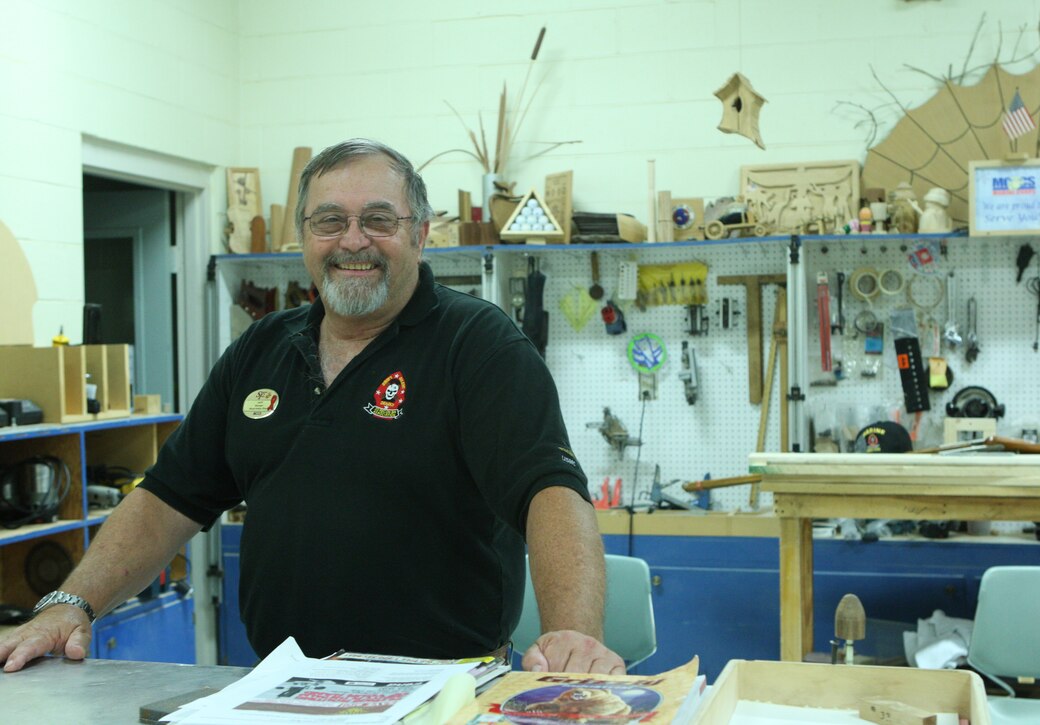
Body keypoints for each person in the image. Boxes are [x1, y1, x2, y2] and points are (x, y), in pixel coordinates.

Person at [0, 138, 623, 676]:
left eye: (378, 219)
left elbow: (549, 492)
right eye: (330, 221)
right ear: (304, 236)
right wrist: (70, 603)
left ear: (421, 234)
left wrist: (574, 639)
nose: (353, 241)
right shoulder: (260, 349)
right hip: (282, 683)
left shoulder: (479, 346)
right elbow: (168, 499)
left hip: (444, 686)